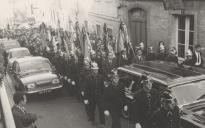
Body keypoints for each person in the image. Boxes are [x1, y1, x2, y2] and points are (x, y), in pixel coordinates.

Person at [83, 62, 105, 127]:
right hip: (91, 97)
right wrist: (85, 98)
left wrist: (103, 96)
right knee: (92, 109)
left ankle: (102, 122)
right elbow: (86, 89)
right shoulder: (88, 78)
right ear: (92, 70)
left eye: (97, 69)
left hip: (99, 96)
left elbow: (102, 88)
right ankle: (92, 120)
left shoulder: (101, 77)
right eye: (95, 69)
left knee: (101, 109)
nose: (96, 70)